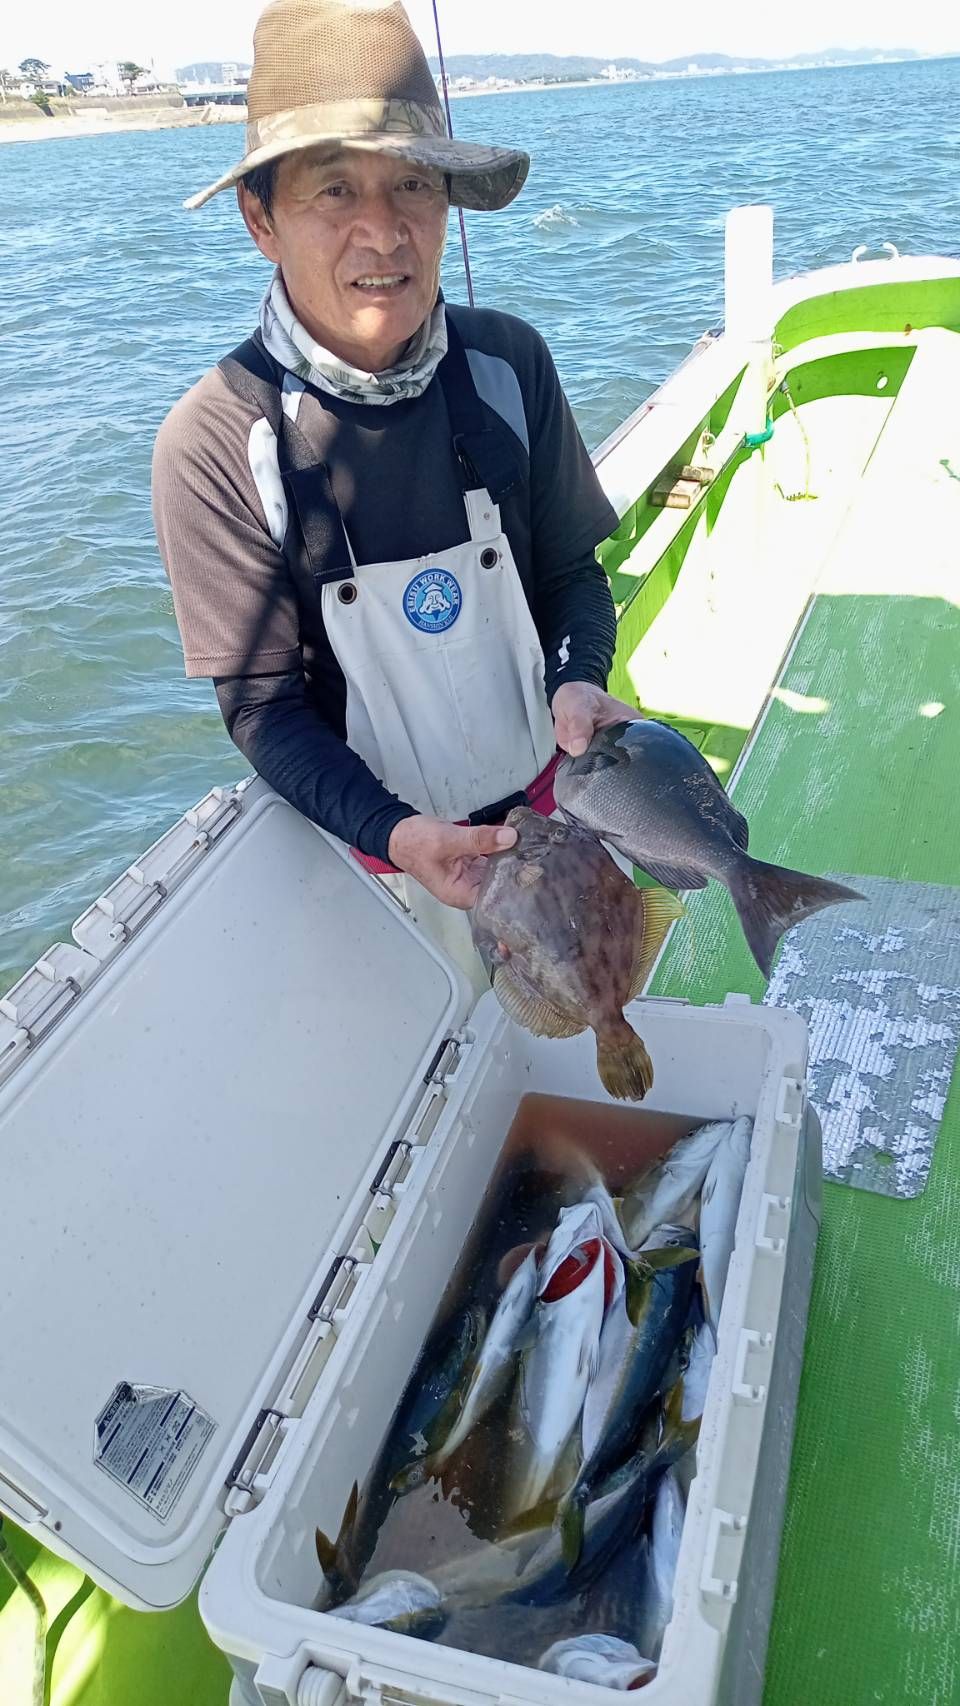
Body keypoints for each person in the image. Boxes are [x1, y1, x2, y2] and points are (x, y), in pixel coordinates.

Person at [152, 0, 637, 982]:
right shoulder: (214, 441)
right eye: (335, 189)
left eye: (413, 183)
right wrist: (396, 831)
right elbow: (262, 709)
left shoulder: (509, 363)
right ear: (261, 218)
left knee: (607, 1005)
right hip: (380, 857)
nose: (384, 231)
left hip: (555, 809)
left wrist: (580, 673)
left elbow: (571, 575)